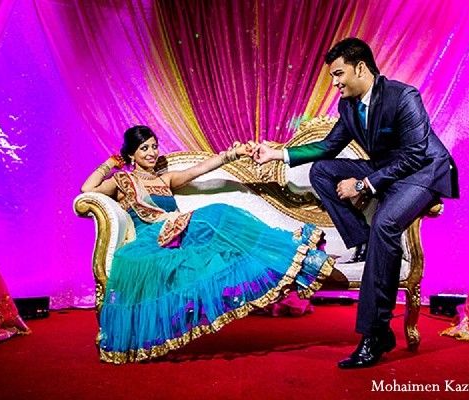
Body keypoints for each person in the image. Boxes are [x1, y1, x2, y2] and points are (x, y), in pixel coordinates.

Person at [253, 38, 459, 368]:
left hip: (423, 172)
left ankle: (375, 334)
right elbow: (329, 147)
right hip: (386, 171)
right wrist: (278, 153)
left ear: (360, 67)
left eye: (338, 74)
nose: (334, 84)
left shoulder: (403, 96)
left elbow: (416, 153)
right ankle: (363, 242)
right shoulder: (348, 106)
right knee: (323, 171)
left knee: (386, 224)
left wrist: (365, 183)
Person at [80, 125, 334, 364]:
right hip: (153, 238)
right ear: (132, 154)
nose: (151, 152)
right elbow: (86, 189)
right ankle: (293, 257)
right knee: (217, 215)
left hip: (182, 231)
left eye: (154, 146)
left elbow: (198, 170)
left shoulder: (165, 179)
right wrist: (111, 164)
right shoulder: (123, 181)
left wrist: (232, 154)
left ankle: (293, 258)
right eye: (144, 148)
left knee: (223, 219)